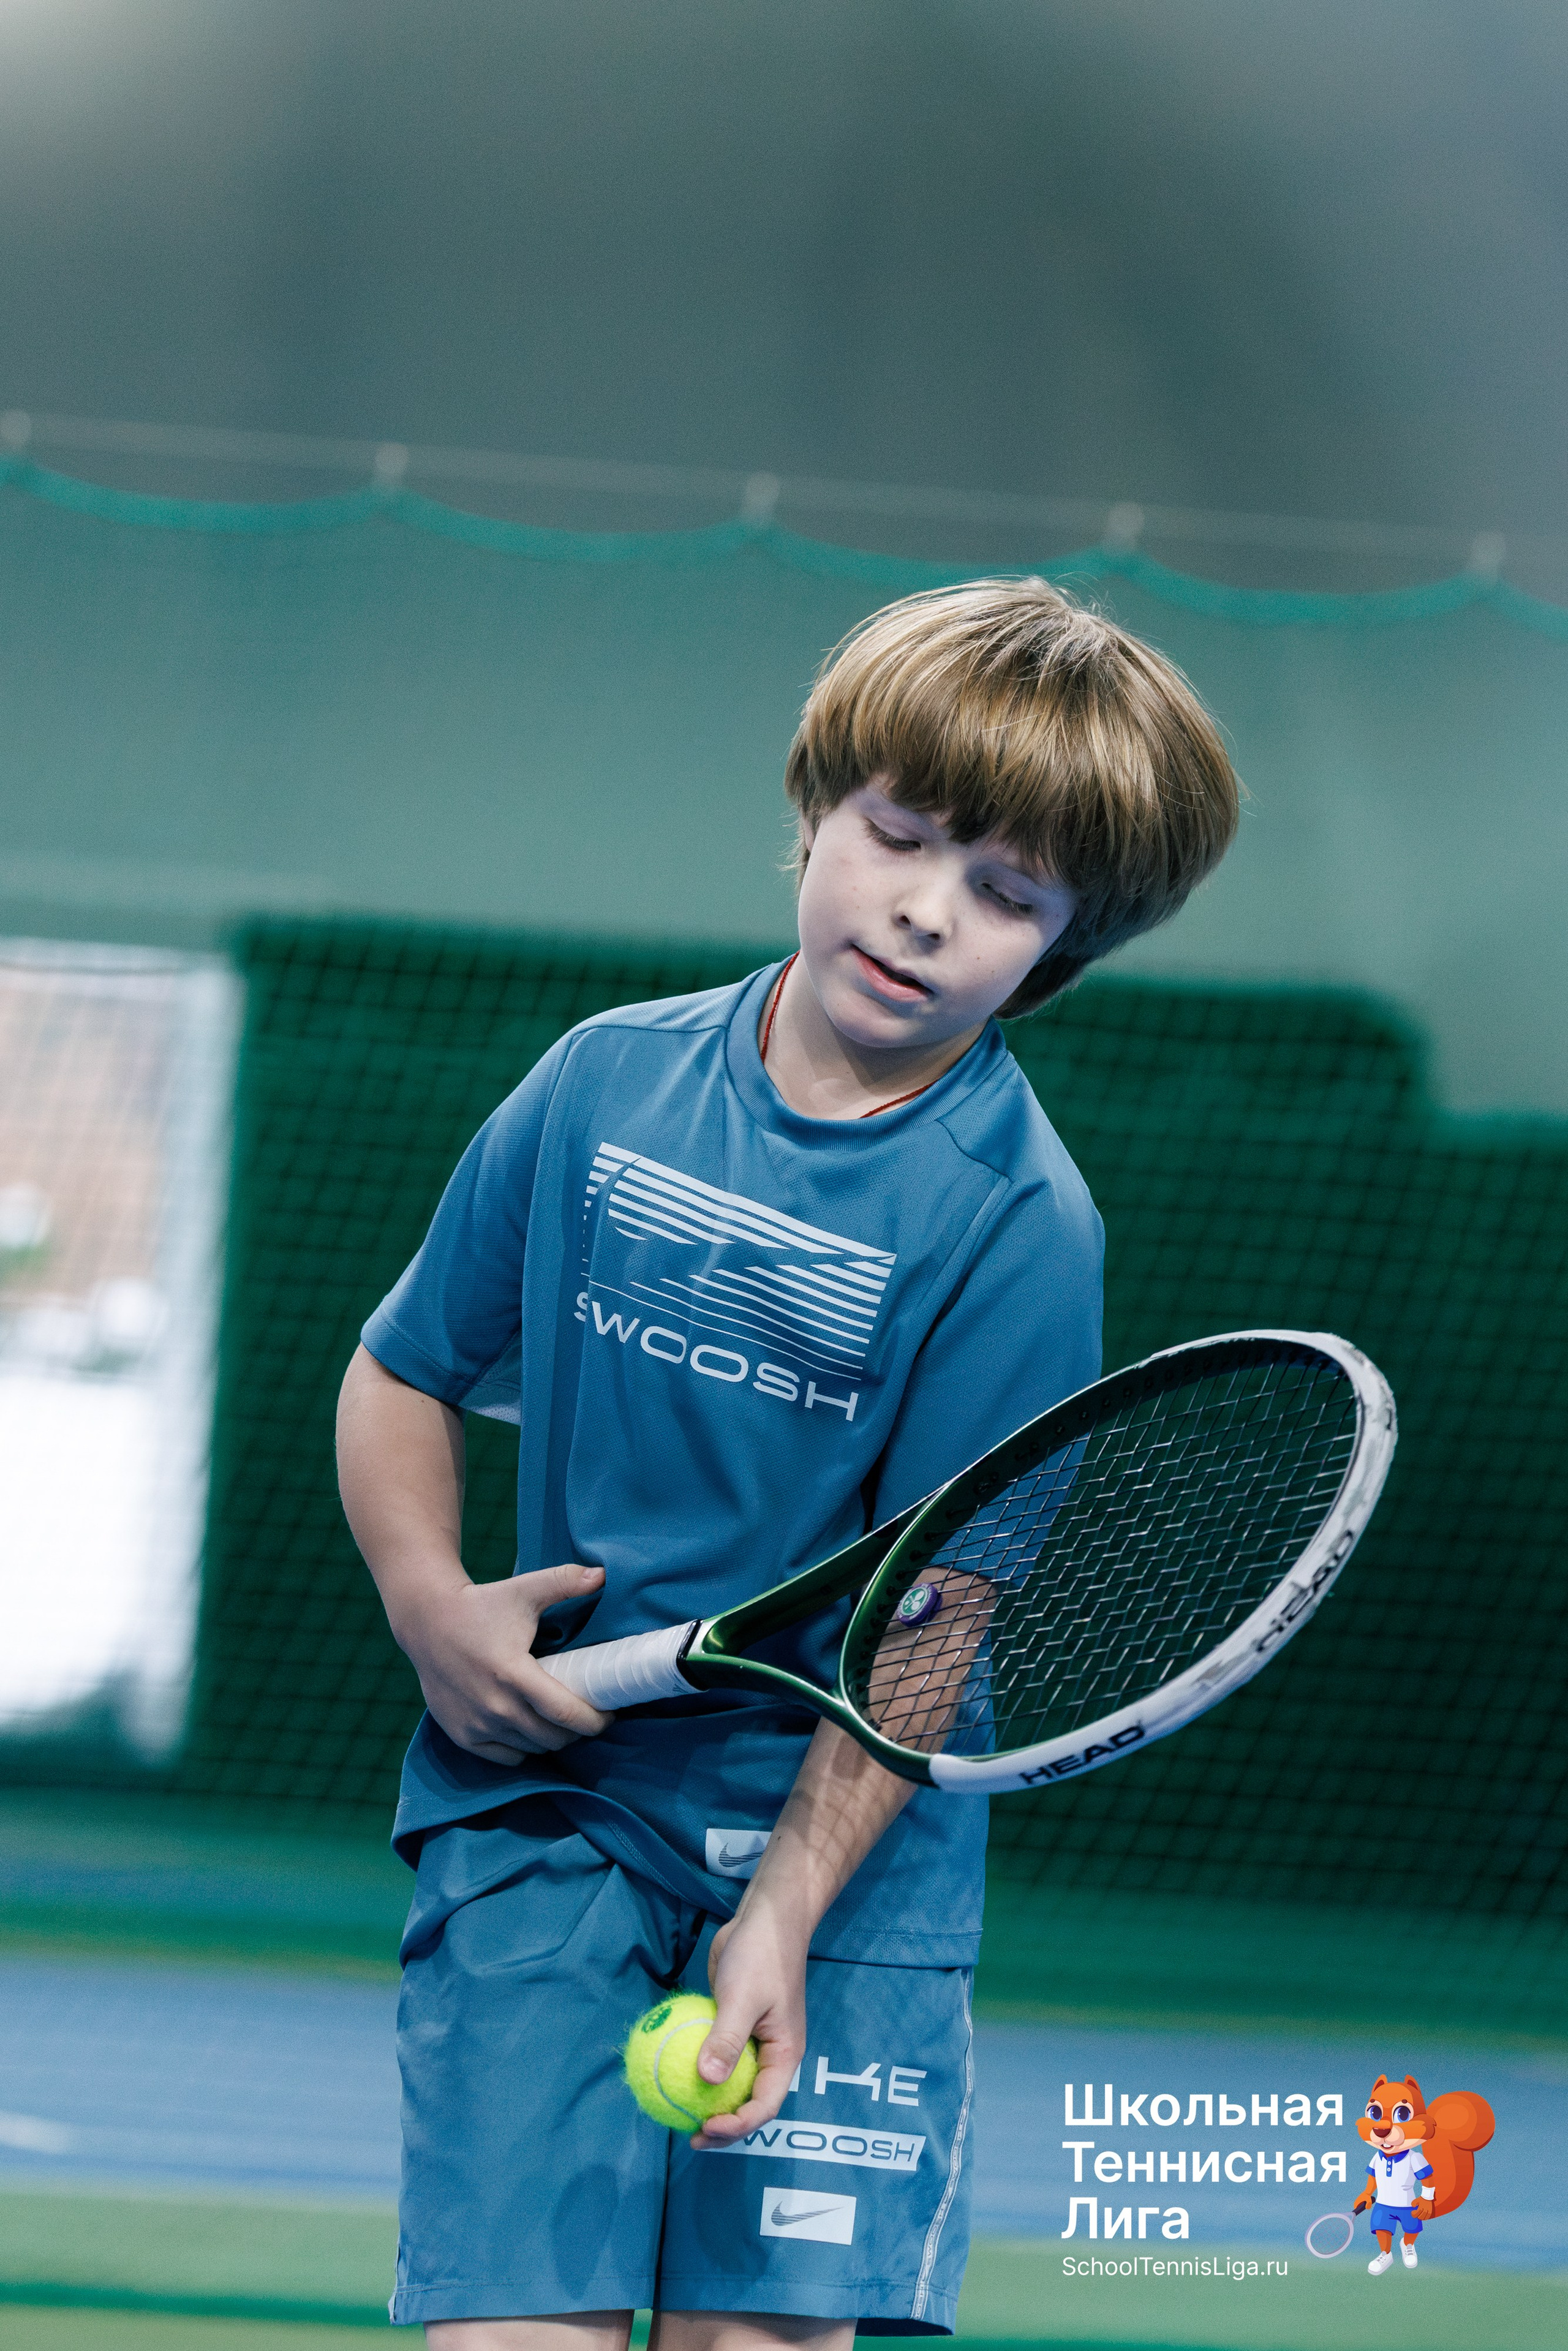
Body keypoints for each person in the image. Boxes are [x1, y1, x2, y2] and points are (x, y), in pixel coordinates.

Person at [337, 579, 1240, 2350]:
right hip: (550, 1812)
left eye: (1007, 894)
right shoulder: (600, 1083)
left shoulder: (1019, 1227)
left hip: (842, 1851)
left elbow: (932, 1621)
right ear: (817, 807)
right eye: (900, 835)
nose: (926, 909)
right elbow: (402, 1371)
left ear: (1060, 950)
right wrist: (431, 1604)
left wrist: (784, 1912)